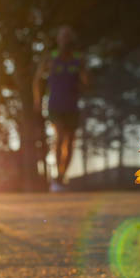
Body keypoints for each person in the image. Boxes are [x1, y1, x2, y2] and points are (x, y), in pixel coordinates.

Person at [33, 26, 88, 192]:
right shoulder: (50, 58)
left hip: (72, 105)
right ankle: (56, 177)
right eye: (62, 36)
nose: (65, 39)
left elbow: (87, 82)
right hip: (55, 104)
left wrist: (84, 78)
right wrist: (37, 101)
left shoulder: (79, 59)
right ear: (58, 39)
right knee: (59, 136)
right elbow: (37, 80)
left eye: (68, 36)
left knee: (70, 141)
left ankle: (63, 175)